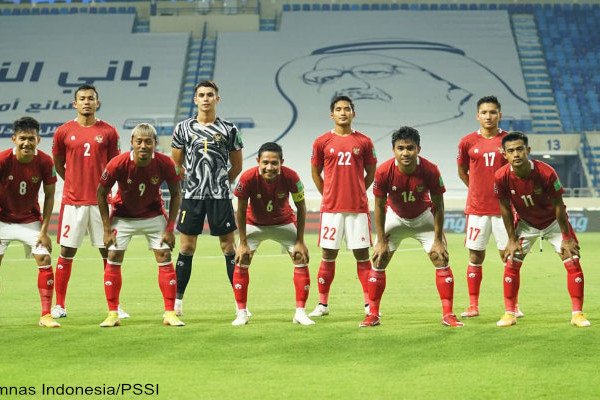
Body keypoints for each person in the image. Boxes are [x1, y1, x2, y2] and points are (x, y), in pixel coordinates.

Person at [367, 126, 463, 328]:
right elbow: (378, 206)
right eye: (400, 148)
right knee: (379, 258)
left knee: (440, 257)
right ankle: (373, 314)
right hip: (395, 218)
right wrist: (381, 240)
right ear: (393, 149)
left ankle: (448, 314)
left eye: (410, 148)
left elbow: (438, 205)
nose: (405, 153)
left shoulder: (430, 169)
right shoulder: (384, 171)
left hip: (423, 218)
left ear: (418, 149)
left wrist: (438, 240)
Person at [494, 132, 589, 328]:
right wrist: (511, 239)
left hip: (553, 222)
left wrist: (566, 237)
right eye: (511, 151)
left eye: (520, 149)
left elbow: (559, 206)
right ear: (504, 154)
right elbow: (504, 208)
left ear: (528, 150)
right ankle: (510, 313)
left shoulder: (546, 172)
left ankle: (577, 313)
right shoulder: (501, 176)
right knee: (511, 261)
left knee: (572, 259)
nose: (516, 154)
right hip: (526, 224)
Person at [50, 84, 128, 319]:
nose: (86, 102)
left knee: (110, 254)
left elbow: (115, 166)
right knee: (66, 251)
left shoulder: (109, 132)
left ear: (97, 103)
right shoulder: (63, 132)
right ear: (75, 104)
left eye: (91, 99)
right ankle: (60, 305)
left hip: (101, 204)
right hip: (73, 203)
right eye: (82, 99)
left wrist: (103, 191)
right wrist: (73, 181)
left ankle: (114, 306)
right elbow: (58, 163)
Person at [97, 123, 183, 327]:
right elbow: (101, 193)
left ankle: (170, 313)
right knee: (114, 257)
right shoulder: (117, 163)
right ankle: (112, 313)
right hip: (123, 216)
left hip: (153, 215)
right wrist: (107, 228)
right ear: (132, 143)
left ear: (155, 143)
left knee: (164, 256)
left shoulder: (165, 163)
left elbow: (177, 193)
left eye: (148, 141)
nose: (143, 145)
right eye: (139, 141)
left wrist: (170, 228)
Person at [171, 80, 243, 316]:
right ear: (195, 99)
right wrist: (193, 181)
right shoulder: (183, 128)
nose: (205, 98)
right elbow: (177, 163)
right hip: (192, 196)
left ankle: (239, 304)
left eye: (210, 95)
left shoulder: (229, 129)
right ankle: (177, 302)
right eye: (201, 95)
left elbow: (237, 166)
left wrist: (219, 182)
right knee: (187, 246)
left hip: (220, 196)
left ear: (217, 99)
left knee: (228, 247)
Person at [308, 95, 377, 318]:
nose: (343, 112)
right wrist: (327, 193)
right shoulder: (321, 142)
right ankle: (322, 304)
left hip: (357, 208)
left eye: (347, 109)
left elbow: (371, 173)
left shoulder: (364, 142)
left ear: (353, 113)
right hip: (331, 209)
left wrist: (357, 190)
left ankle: (369, 304)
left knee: (362, 255)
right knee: (328, 254)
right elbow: (315, 172)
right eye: (338, 109)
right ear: (332, 114)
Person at [232, 142, 313, 326]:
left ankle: (300, 312)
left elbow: (301, 207)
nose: (270, 167)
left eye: (274, 163)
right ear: (258, 161)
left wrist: (300, 240)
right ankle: (241, 312)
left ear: (281, 162)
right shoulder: (247, 178)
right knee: (242, 258)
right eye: (266, 162)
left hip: (283, 223)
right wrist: (243, 242)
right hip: (254, 224)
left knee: (301, 257)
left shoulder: (292, 177)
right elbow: (241, 211)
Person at [457, 95, 522, 318]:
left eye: (493, 112)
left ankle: (512, 306)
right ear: (477, 116)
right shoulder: (467, 142)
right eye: (484, 112)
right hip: (477, 210)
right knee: (475, 256)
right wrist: (477, 188)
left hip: (504, 209)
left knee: (510, 257)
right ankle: (473, 306)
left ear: (500, 115)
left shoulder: (509, 142)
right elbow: (462, 171)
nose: (488, 116)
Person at [0, 117, 59, 327]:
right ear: (14, 138)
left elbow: (50, 196)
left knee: (44, 259)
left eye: (31, 138)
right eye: (22, 138)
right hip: (2, 220)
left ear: (38, 139)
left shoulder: (45, 162)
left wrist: (44, 231)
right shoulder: (3, 160)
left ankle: (46, 315)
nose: (27, 143)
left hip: (30, 220)